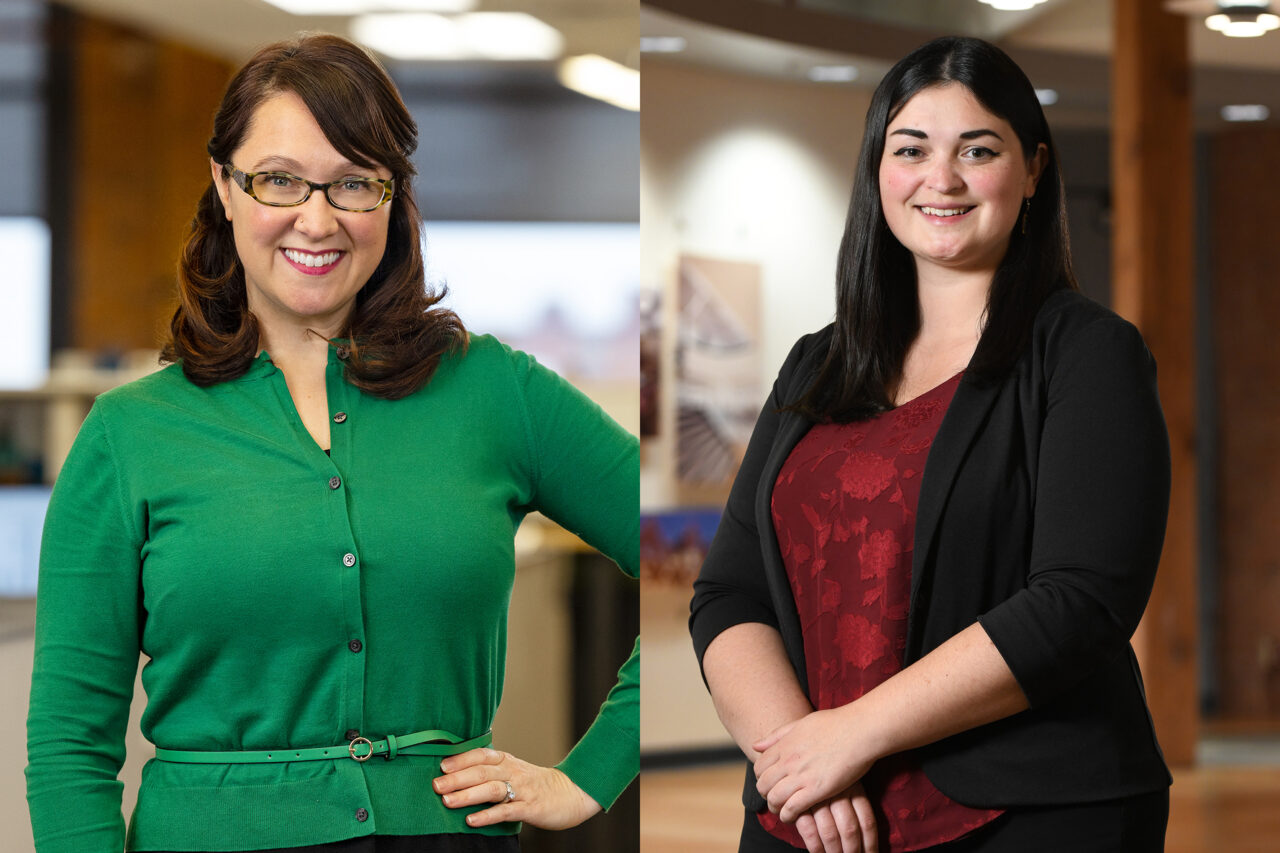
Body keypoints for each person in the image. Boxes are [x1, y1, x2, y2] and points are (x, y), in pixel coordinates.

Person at [26, 34, 638, 853]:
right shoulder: (129, 434)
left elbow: (704, 553)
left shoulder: (497, 392)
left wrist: (590, 774)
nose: (316, 219)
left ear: (391, 196)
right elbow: (69, 740)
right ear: (225, 186)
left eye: (353, 183)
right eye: (279, 179)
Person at [689, 36, 1171, 853]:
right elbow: (730, 592)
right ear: (879, 171)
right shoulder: (817, 363)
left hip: (1037, 814)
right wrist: (793, 759)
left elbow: (1080, 601)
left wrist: (852, 734)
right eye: (911, 149)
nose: (940, 179)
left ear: (1033, 169)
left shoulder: (1087, 353)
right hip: (810, 813)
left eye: (977, 150)